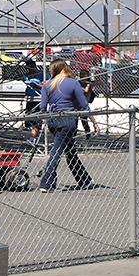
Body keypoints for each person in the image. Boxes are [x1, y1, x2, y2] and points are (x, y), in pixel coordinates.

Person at [38, 59, 93, 192]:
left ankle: (84, 180)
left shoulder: (47, 85)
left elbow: (43, 107)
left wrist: (46, 118)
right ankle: (46, 182)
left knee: (70, 151)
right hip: (67, 120)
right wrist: (94, 122)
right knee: (57, 151)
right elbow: (83, 105)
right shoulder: (73, 83)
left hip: (52, 120)